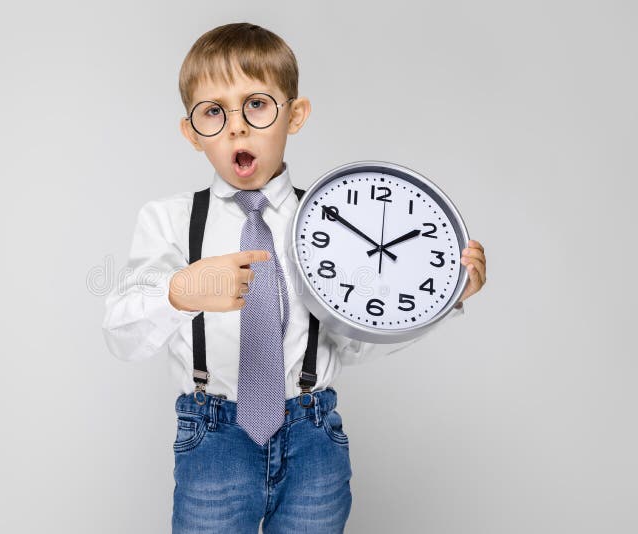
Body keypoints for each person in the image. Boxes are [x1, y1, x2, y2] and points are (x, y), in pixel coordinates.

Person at [101, 21, 487, 534]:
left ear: (295, 114)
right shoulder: (169, 221)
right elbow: (121, 334)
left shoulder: (332, 220)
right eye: (213, 112)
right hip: (213, 438)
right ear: (191, 133)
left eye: (256, 104)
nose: (236, 126)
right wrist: (180, 291)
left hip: (313, 436)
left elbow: (353, 340)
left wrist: (442, 298)